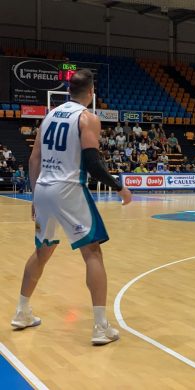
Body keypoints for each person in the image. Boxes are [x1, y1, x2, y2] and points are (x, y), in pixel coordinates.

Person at [11, 69, 132, 345]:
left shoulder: (48, 117)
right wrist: (120, 188)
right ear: (91, 93)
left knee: (42, 252)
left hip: (43, 188)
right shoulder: (87, 118)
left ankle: (22, 312)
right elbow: (93, 164)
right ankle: (100, 327)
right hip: (68, 189)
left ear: (68, 92)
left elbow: (33, 160)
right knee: (93, 253)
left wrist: (34, 197)